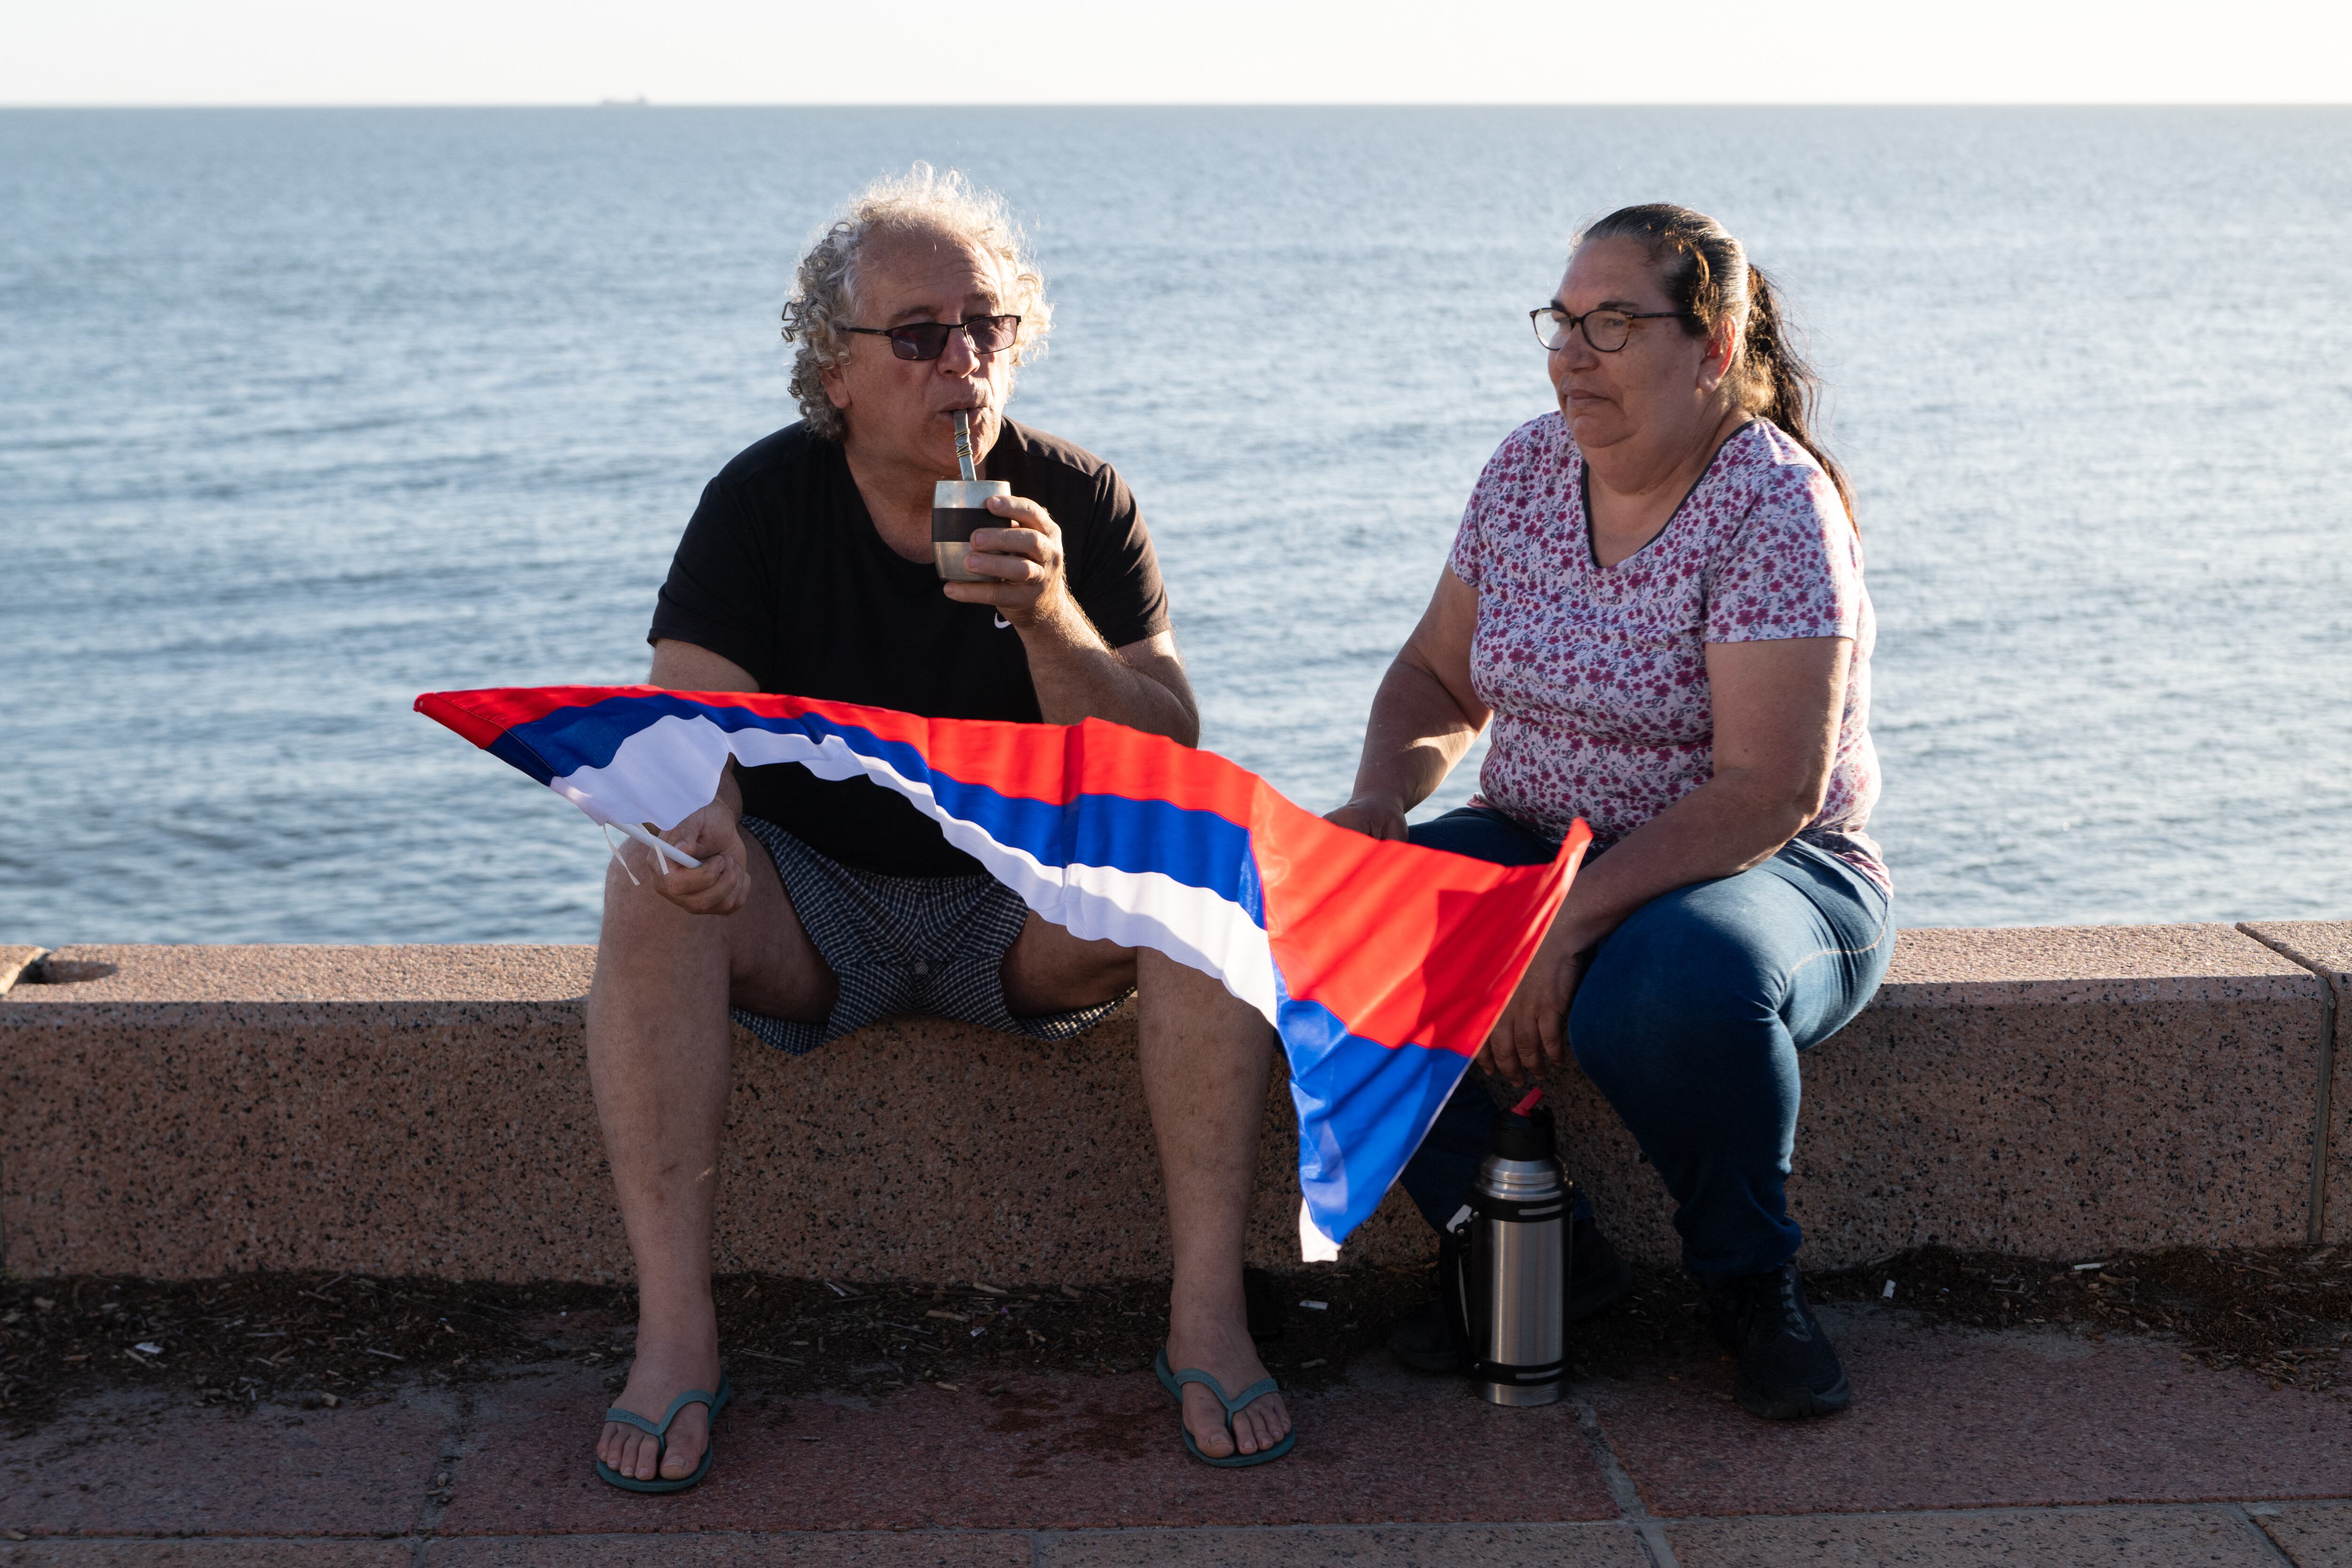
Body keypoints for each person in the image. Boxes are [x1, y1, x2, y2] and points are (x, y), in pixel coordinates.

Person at [588, 166, 1291, 1489]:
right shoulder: (766, 500)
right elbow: (687, 712)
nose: (962, 362)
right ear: (835, 370)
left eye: (988, 328)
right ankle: (677, 1332)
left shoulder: (1073, 499)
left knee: (1207, 865)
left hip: (1018, 905)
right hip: (817, 903)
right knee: (646, 876)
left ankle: (1207, 1311)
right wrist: (707, 824)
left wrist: (1050, 618)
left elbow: (1167, 748)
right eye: (918, 336)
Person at [1331, 203, 1893, 1420]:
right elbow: (1437, 677)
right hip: (1544, 835)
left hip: (1772, 866)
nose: (1571, 356)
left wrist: (1567, 927)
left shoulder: (1774, 505)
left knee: (1671, 988)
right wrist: (1382, 797)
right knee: (1335, 932)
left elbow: (1770, 786)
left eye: (1614, 326)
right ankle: (1532, 1251)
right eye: (1564, 322)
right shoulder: (1527, 470)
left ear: (1713, 341)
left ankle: (1753, 1282)